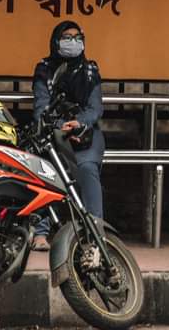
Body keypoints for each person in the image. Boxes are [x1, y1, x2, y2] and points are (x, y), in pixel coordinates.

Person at [31, 20, 105, 251]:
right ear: (56, 41)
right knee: (43, 168)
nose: (73, 42)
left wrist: (79, 124)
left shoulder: (90, 70)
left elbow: (95, 108)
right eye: (67, 37)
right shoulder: (44, 69)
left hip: (84, 133)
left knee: (87, 168)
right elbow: (41, 106)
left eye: (77, 37)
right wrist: (61, 126)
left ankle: (95, 231)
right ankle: (40, 233)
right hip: (52, 131)